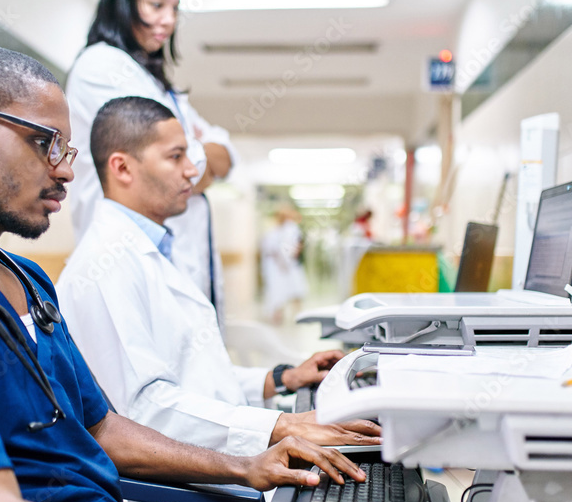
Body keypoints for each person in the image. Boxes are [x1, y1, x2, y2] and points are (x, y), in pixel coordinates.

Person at [0, 43, 405, 502]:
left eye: (68, 148)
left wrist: (247, 463)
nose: (68, 170)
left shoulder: (26, 280)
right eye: (46, 143)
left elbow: (101, 428)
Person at [57, 96, 380, 455]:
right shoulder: (105, 265)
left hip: (222, 458)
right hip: (191, 493)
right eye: (175, 157)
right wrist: (282, 425)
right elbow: (147, 412)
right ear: (122, 168)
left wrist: (280, 378)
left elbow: (195, 377)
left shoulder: (150, 250)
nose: (192, 171)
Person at [65, 0, 233, 328]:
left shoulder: (158, 85)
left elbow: (226, 154)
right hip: (126, 265)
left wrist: (205, 152)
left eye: (175, 8)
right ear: (124, 2)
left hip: (173, 267)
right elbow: (187, 169)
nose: (168, 20)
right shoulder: (102, 67)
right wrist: (202, 152)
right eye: (156, 5)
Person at [260, 206, 309, 325]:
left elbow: (293, 247)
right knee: (278, 292)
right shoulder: (273, 232)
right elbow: (269, 249)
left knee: (295, 290)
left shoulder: (291, 229)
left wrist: (287, 259)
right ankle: (278, 315)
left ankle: (297, 315)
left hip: (288, 266)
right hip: (275, 267)